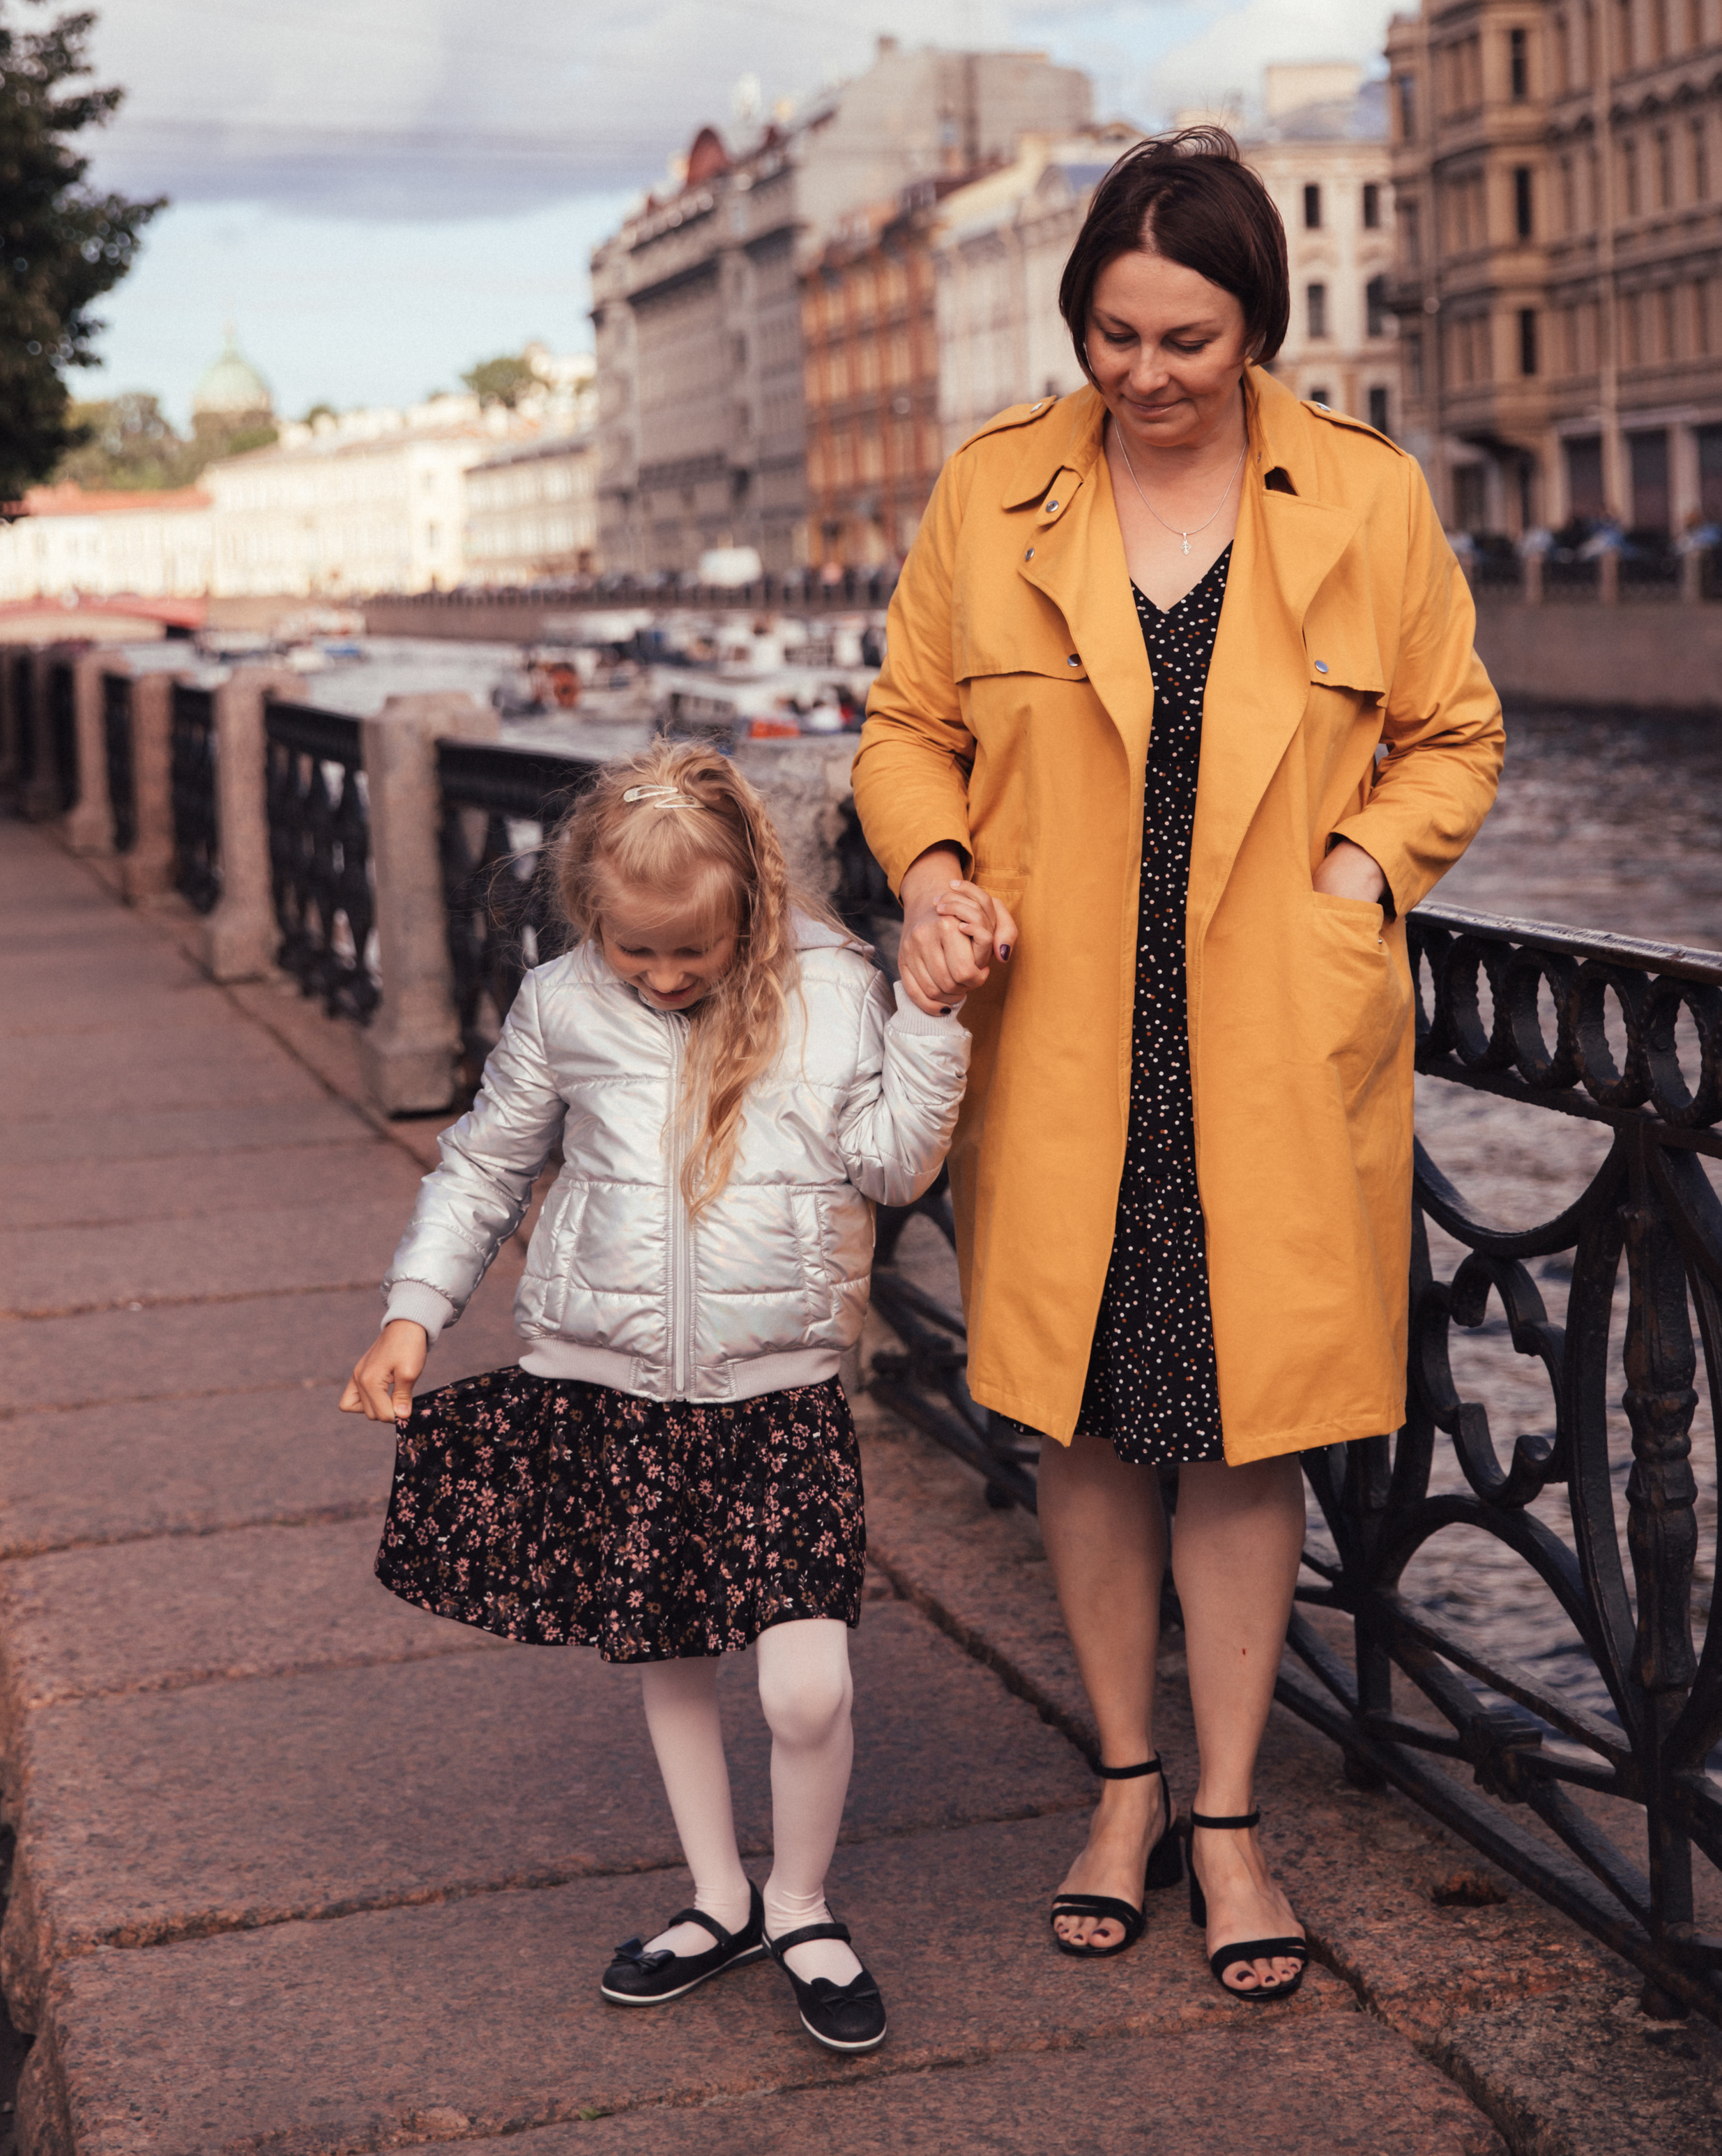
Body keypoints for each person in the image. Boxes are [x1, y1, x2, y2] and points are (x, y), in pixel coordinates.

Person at [852, 129, 1503, 2002]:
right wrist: (938, 867)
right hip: (1061, 1032)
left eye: (1187, 341)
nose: (1144, 376)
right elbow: (905, 728)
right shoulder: (993, 496)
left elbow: (1454, 735)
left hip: (1270, 1040)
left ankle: (1224, 1815)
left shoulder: (1364, 499)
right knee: (1078, 1417)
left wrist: (1361, 869)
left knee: (1243, 1424)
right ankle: (1120, 1787)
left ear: (1257, 332)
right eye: (1114, 335)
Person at [340, 740, 970, 2056]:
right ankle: (720, 1896)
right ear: (591, 916)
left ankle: (800, 1903)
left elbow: (896, 1166)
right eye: (640, 954)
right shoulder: (563, 1001)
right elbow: (482, 1168)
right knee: (668, 1649)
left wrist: (934, 1021)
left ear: (750, 902)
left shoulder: (834, 987)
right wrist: (413, 1314)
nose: (668, 978)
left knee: (806, 1688)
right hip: (617, 1386)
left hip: (778, 1392)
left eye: (697, 952)